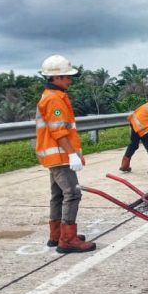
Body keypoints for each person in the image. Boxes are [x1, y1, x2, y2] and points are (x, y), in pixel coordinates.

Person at [35, 55, 96, 253]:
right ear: (57, 77)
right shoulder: (54, 99)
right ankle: (67, 239)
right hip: (60, 155)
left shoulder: (53, 96)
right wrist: (72, 155)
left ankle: (56, 235)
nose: (70, 80)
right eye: (67, 77)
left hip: (55, 155)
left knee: (58, 195)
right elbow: (59, 131)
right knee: (72, 193)